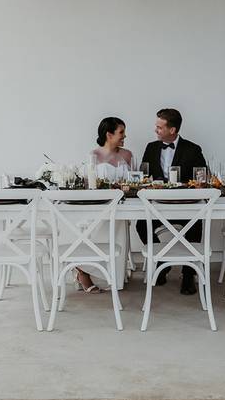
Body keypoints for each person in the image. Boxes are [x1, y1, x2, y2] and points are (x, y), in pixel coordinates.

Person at [137, 108, 208, 295]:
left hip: (186, 206)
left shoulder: (193, 149)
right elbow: (143, 176)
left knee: (195, 226)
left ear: (173, 130)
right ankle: (162, 261)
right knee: (141, 225)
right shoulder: (151, 148)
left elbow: (202, 177)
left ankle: (188, 275)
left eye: (159, 127)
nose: (156, 130)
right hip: (157, 206)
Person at [74, 117, 134, 293]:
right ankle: (82, 270)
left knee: (119, 228)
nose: (125, 136)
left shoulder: (127, 155)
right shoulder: (93, 155)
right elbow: (87, 184)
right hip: (98, 207)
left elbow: (132, 181)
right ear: (109, 134)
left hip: (121, 206)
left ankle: (113, 276)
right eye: (121, 132)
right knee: (98, 228)